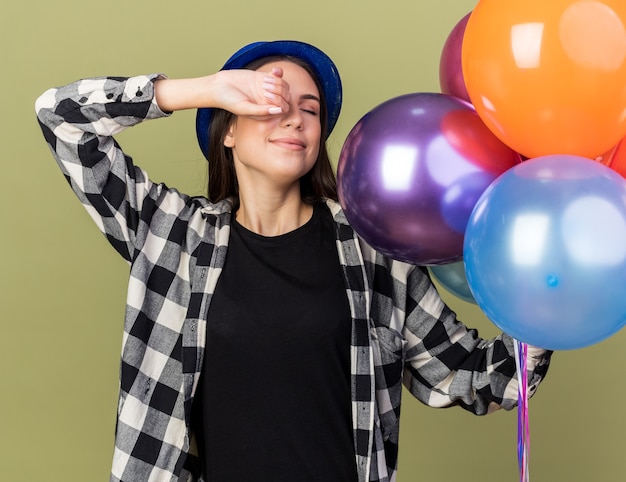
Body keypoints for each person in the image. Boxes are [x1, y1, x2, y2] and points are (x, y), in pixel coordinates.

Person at [35, 40, 552, 482]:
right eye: (267, 102)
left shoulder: (370, 249)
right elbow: (60, 118)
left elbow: (480, 376)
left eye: (310, 109)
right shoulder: (173, 235)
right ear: (228, 129)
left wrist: (554, 290)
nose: (293, 117)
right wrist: (203, 90)